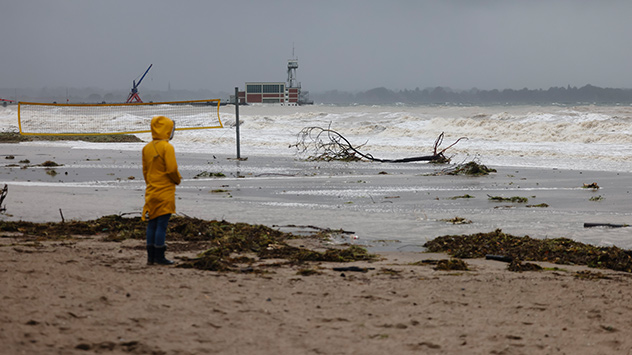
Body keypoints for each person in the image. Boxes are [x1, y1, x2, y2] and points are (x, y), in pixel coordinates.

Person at [142, 115, 181, 265]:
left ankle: (150, 257)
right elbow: (172, 169)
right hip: (165, 191)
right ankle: (159, 256)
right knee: (162, 225)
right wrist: (177, 180)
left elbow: (145, 171)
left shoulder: (147, 148)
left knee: (152, 223)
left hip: (151, 190)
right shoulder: (167, 147)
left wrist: (151, 183)